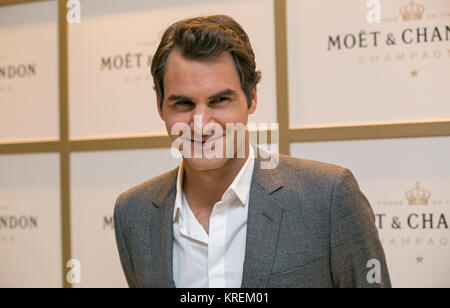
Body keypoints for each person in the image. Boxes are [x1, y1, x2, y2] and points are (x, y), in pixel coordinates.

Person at [114, 15, 391, 288]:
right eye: (183, 103)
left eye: (220, 100)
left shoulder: (328, 197)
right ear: (160, 104)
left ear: (252, 97)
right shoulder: (133, 212)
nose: (200, 125)